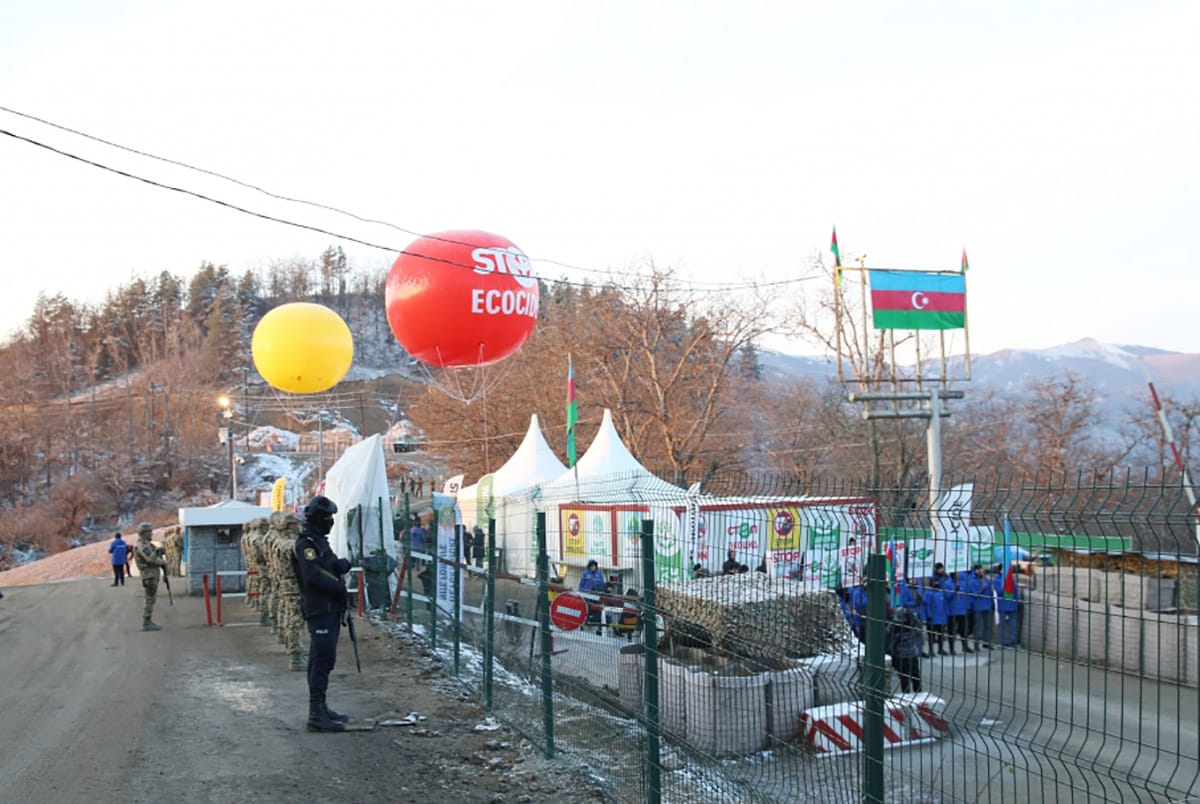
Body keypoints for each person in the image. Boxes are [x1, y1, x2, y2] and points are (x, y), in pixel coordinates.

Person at [294, 495, 353, 732]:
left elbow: (325, 566)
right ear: (317, 518)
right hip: (320, 608)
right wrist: (339, 588)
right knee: (321, 659)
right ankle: (315, 712)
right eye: (327, 517)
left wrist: (339, 565)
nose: (330, 521)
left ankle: (321, 706)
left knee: (324, 658)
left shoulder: (319, 541)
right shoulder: (306, 544)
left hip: (329, 607)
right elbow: (312, 576)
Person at [131, 523, 166, 631]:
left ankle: (148, 621)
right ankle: (147, 622)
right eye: (150, 532)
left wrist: (159, 551)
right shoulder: (143, 545)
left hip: (151, 574)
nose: (152, 533)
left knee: (151, 599)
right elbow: (150, 558)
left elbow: (154, 553)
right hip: (149, 575)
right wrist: (162, 562)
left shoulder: (147, 544)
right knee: (150, 599)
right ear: (144, 533)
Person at [888, 604, 924, 693]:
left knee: (904, 679)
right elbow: (919, 629)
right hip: (912, 654)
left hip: (900, 656)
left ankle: (907, 695)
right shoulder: (913, 627)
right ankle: (918, 695)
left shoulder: (894, 627)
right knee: (916, 677)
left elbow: (888, 633)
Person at [967, 564, 994, 650]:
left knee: (988, 625)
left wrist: (992, 603)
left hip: (987, 605)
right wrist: (981, 590)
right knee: (977, 626)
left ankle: (987, 642)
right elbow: (973, 594)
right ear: (976, 570)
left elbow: (990, 593)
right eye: (980, 570)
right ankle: (976, 643)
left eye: (982, 569)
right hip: (978, 605)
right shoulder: (972, 581)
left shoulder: (986, 580)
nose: (982, 571)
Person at [948, 570, 974, 653]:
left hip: (962, 610)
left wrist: (968, 606)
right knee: (952, 631)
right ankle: (951, 648)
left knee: (963, 630)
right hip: (952, 611)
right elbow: (947, 597)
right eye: (956, 574)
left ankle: (965, 646)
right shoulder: (947, 583)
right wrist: (954, 590)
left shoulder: (963, 583)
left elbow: (967, 595)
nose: (958, 575)